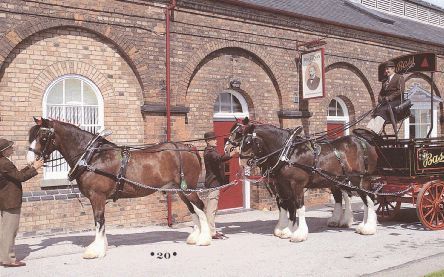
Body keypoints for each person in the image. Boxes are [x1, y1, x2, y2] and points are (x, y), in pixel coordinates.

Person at [0, 139, 43, 267]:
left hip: (5, 200)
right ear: (4, 151)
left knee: (5, 230)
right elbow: (20, 178)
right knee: (10, 231)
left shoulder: (4, 162)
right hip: (10, 201)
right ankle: (9, 260)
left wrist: (30, 167)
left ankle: (3, 256)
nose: (12, 149)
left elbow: (16, 174)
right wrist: (35, 168)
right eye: (10, 147)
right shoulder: (5, 163)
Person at [203, 131, 238, 240]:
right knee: (211, 209)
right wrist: (233, 153)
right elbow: (219, 159)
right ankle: (211, 232)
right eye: (214, 139)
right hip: (213, 183)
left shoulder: (211, 151)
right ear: (208, 141)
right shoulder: (209, 152)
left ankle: (210, 229)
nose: (216, 141)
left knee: (212, 208)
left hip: (213, 183)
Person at [367, 61, 405, 134]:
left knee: (383, 109)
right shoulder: (385, 81)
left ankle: (375, 131)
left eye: (388, 69)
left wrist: (389, 97)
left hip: (397, 101)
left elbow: (400, 91)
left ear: (393, 69)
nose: (386, 71)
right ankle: (371, 129)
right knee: (376, 110)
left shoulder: (399, 78)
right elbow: (381, 93)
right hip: (387, 102)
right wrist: (380, 99)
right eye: (385, 69)